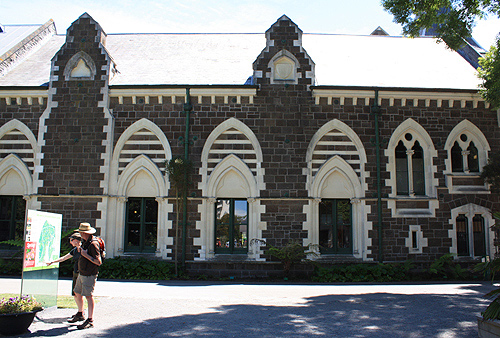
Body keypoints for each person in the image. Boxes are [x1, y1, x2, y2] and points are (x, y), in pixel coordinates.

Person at [46, 232, 82, 322]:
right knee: (75, 293)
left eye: (71, 240)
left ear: (77, 240)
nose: (70, 242)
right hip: (75, 272)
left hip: (82, 274)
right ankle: (80, 311)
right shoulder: (74, 250)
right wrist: (53, 261)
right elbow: (64, 258)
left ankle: (81, 313)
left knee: (79, 293)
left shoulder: (83, 250)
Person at [73, 222, 102, 330]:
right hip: (82, 273)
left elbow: (98, 262)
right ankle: (80, 314)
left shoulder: (93, 244)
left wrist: (86, 255)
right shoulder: (85, 242)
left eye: (81, 232)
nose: (80, 234)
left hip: (89, 274)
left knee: (89, 296)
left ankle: (90, 320)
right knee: (77, 292)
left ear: (85, 233)